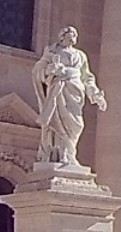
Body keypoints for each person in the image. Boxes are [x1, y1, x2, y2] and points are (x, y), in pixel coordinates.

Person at [31, 26, 106, 166]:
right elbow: (38, 69)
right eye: (70, 35)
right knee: (59, 122)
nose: (73, 38)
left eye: (74, 35)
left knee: (77, 124)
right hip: (59, 89)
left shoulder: (80, 55)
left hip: (76, 90)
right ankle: (61, 155)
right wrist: (50, 70)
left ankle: (69, 153)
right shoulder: (52, 52)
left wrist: (95, 94)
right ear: (62, 37)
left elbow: (87, 77)